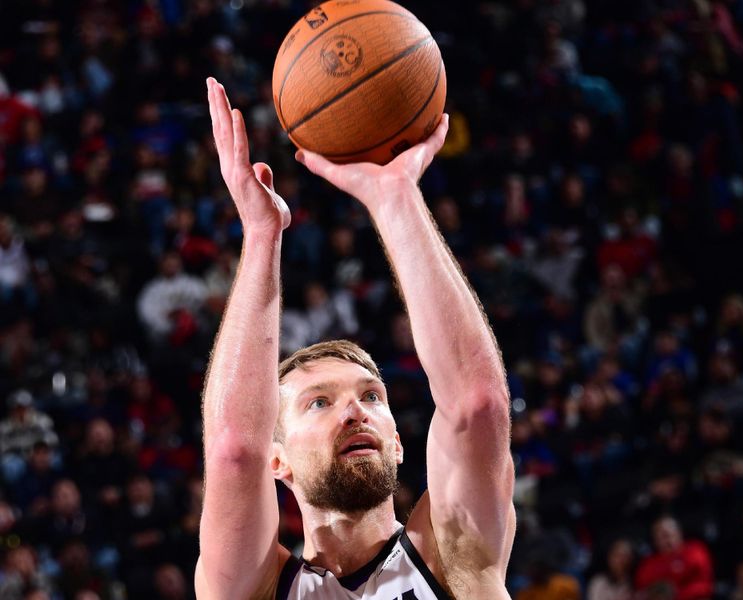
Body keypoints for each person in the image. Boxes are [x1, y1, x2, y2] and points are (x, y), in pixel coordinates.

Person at [194, 78, 515, 600]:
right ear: (278, 462)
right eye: (318, 403)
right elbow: (234, 448)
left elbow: (477, 403)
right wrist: (259, 235)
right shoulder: (258, 589)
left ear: (398, 441)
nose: (354, 411)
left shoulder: (453, 555)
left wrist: (395, 199)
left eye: (371, 395)